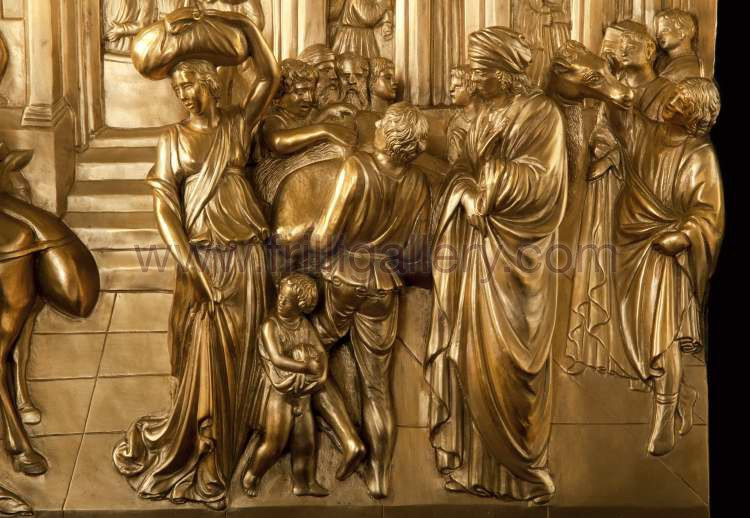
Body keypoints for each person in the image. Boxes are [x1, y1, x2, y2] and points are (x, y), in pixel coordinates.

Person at [112, 11, 280, 510]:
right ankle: (207, 455)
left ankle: (237, 441)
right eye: (177, 87)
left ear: (211, 82)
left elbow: (269, 74)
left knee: (247, 356)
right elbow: (165, 206)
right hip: (205, 262)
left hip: (248, 258)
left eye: (190, 84)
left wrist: (233, 20)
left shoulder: (238, 125)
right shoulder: (172, 139)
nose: (183, 93)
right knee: (207, 357)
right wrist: (191, 267)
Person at [426, 26, 566, 504]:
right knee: (467, 352)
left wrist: (487, 180)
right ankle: (472, 466)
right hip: (474, 251)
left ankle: (525, 469)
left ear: (504, 75)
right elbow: (459, 170)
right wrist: (466, 191)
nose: (472, 77)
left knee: (511, 362)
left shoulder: (540, 114)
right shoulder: (481, 113)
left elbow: (543, 183)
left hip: (518, 256)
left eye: (479, 71)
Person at [310, 102, 431, 499]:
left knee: (307, 355)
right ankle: (379, 477)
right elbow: (414, 250)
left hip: (344, 276)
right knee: (377, 387)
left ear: (390, 135)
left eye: (384, 121)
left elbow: (323, 237)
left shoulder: (356, 167)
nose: (376, 122)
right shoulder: (418, 183)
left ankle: (347, 437)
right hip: (384, 286)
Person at [615, 78, 723, 456]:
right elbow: (621, 121)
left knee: (662, 338)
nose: (669, 103)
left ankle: (663, 421)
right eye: (672, 97)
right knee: (638, 332)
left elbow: (708, 213)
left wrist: (683, 236)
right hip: (633, 248)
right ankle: (682, 395)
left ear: (693, 116)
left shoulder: (699, 155)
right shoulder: (648, 133)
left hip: (668, 254)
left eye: (679, 103)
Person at [242, 274, 330, 498]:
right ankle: (252, 474)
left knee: (306, 443)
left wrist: (322, 374)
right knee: (275, 443)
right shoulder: (270, 326)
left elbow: (321, 352)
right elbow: (277, 359)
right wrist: (306, 366)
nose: (280, 301)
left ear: (301, 307)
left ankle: (304, 482)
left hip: (303, 395)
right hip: (280, 394)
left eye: (287, 300)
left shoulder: (303, 325)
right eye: (280, 296)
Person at [254, 58, 357, 203]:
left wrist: (328, 112)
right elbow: (278, 141)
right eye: (300, 92)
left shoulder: (309, 113)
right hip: (277, 174)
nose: (309, 98)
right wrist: (323, 130)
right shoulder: (274, 118)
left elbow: (310, 123)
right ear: (279, 95)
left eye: (311, 90)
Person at [515, 0, 571, 87]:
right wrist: (541, 20)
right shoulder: (527, 3)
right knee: (538, 71)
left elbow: (565, 15)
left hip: (556, 37)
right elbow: (522, 21)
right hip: (538, 43)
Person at [329, 0, 393, 58]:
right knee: (355, 64)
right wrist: (384, 3)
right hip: (353, 38)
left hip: (363, 36)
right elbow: (368, 17)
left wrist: (386, 21)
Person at [654, 8, 703, 81]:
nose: (658, 36)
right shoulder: (661, 63)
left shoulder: (689, 66)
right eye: (657, 32)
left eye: (665, 30)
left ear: (682, 32)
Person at [445, 65, 480, 165]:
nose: (451, 89)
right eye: (451, 85)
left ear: (472, 88)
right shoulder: (454, 119)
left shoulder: (482, 120)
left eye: (457, 86)